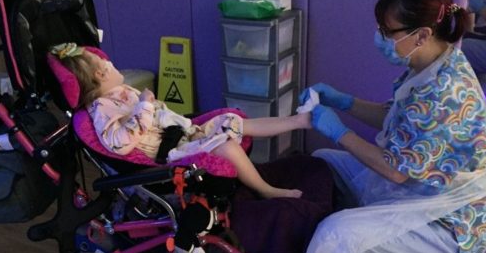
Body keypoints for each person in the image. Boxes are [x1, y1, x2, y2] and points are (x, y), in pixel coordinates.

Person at [276, 0, 486, 253]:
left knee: (338, 239)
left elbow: (397, 171)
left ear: (421, 34)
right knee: (326, 161)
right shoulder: (430, 62)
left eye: (387, 31)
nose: (379, 38)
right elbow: (394, 115)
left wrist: (338, 127)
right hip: (416, 184)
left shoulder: (447, 93)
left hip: (447, 221)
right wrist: (344, 101)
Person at [51, 43, 310, 200]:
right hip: (169, 155)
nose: (111, 62)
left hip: (181, 133)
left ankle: (297, 121)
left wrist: (151, 107)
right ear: (100, 73)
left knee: (232, 119)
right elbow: (120, 144)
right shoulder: (101, 109)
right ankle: (266, 190)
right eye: (107, 62)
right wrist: (145, 106)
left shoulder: (119, 92)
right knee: (227, 145)